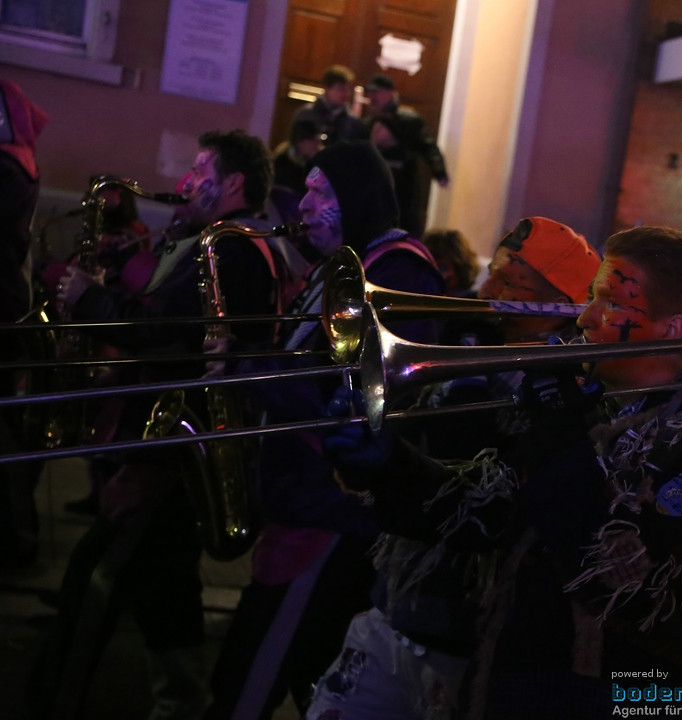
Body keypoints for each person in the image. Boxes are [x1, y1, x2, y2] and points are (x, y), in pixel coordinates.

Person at [306, 226, 682, 718]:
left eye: (611, 302)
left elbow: (619, 575)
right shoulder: (597, 409)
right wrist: (389, 465)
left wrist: (559, 431)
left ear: (671, 328)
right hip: (514, 682)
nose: (585, 316)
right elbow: (489, 511)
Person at [30, 129, 285, 720]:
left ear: (233, 183)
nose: (188, 180)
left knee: (109, 574)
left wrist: (93, 302)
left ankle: (140, 701)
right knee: (161, 584)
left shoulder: (231, 247)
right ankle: (178, 700)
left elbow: (172, 343)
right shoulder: (229, 242)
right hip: (174, 446)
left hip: (173, 446)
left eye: (202, 169)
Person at [203, 139, 446, 720]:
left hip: (332, 510)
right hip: (304, 500)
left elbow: (352, 393)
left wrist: (244, 366)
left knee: (254, 675)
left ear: (355, 199)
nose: (305, 205)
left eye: (319, 191)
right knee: (311, 675)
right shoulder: (339, 267)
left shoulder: (397, 270)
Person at [0, 79, 48, 569]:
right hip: (7, 299)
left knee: (5, 428)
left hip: (2, 303)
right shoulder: (17, 162)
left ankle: (16, 535)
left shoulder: (8, 167)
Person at [360, 73, 449, 237]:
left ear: (389, 94)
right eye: (370, 92)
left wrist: (439, 171)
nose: (371, 96)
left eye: (376, 92)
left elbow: (427, 146)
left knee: (402, 231)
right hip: (374, 192)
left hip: (403, 190)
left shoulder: (409, 120)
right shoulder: (366, 124)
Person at [291, 64, 364, 146]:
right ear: (327, 88)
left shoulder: (352, 122)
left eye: (348, 89)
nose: (346, 93)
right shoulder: (306, 115)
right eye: (340, 89)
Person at [272, 119, 324, 200]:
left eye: (318, 139)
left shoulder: (320, 163)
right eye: (312, 140)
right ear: (300, 142)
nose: (317, 144)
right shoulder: (282, 162)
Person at [421, 228, 479, 298]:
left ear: (460, 268)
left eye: (442, 267)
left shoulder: (473, 302)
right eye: (429, 267)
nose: (434, 274)